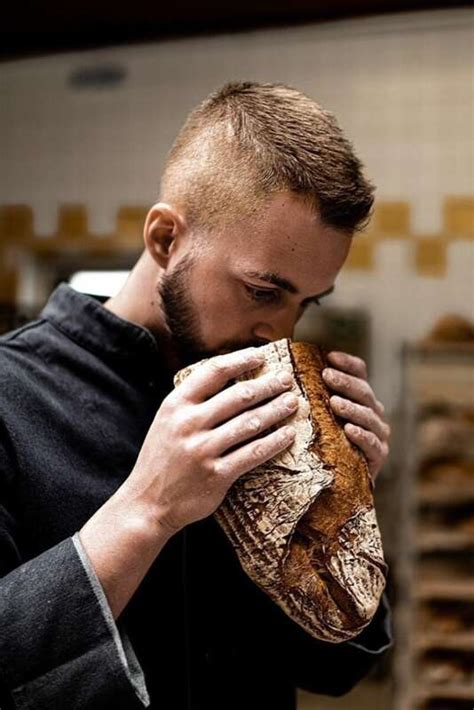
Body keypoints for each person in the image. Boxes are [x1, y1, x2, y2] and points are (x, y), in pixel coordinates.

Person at [0, 82, 392, 710]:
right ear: (164, 240)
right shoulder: (10, 398)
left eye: (305, 302)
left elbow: (334, 672)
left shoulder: (266, 403)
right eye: (263, 291)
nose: (280, 331)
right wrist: (148, 510)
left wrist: (345, 520)